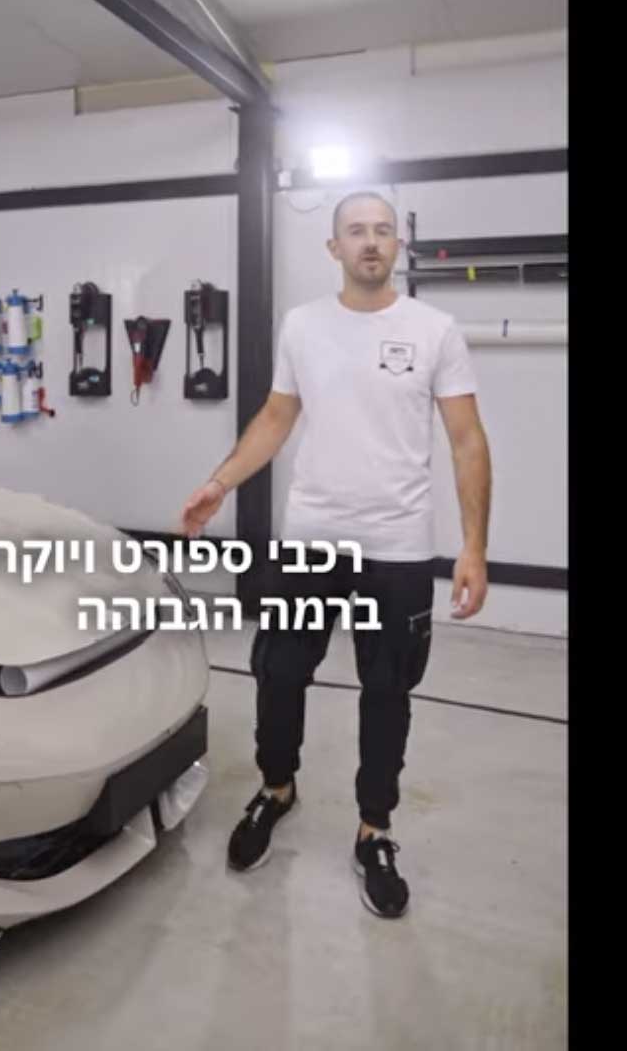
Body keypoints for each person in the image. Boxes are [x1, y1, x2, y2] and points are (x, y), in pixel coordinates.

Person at [179, 191, 492, 918]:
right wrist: (220, 482)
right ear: (334, 247)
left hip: (399, 545)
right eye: (356, 231)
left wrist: (473, 547)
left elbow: (467, 440)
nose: (370, 242)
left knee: (387, 689)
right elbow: (276, 416)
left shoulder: (434, 330)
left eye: (383, 230)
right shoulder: (304, 325)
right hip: (311, 538)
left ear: (397, 246)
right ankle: (276, 789)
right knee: (280, 672)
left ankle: (374, 829)